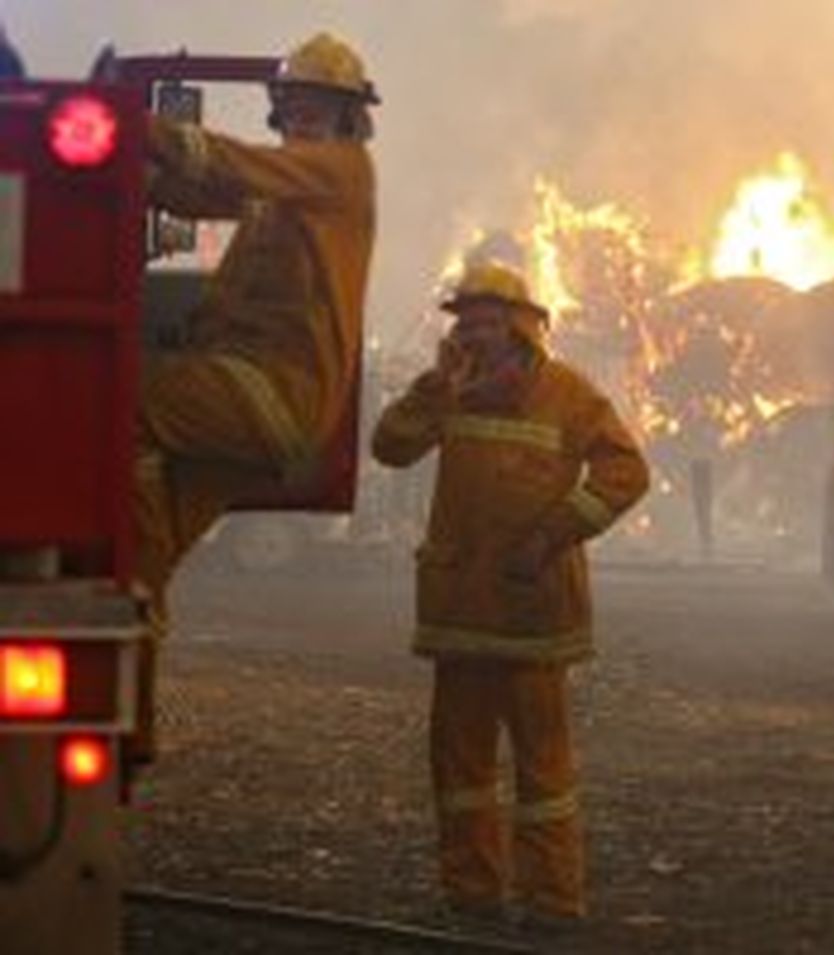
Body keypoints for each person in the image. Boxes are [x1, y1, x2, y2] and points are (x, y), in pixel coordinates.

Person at [371, 261, 649, 927]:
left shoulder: (566, 393)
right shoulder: (452, 392)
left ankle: (553, 900)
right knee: (459, 766)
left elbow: (626, 470)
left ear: (521, 328)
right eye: (464, 324)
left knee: (542, 770)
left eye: (486, 323)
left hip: (533, 615)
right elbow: (389, 448)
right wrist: (436, 390)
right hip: (462, 613)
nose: (472, 334)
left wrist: (553, 534)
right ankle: (472, 892)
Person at [130, 32, 380, 770]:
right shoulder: (285, 191)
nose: (302, 113)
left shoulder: (339, 171)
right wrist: (130, 177)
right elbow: (201, 191)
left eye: (319, 104)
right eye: (293, 102)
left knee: (123, 396)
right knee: (136, 563)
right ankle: (130, 730)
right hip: (246, 398)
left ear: (348, 117)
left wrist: (133, 124)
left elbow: (234, 163)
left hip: (269, 389)